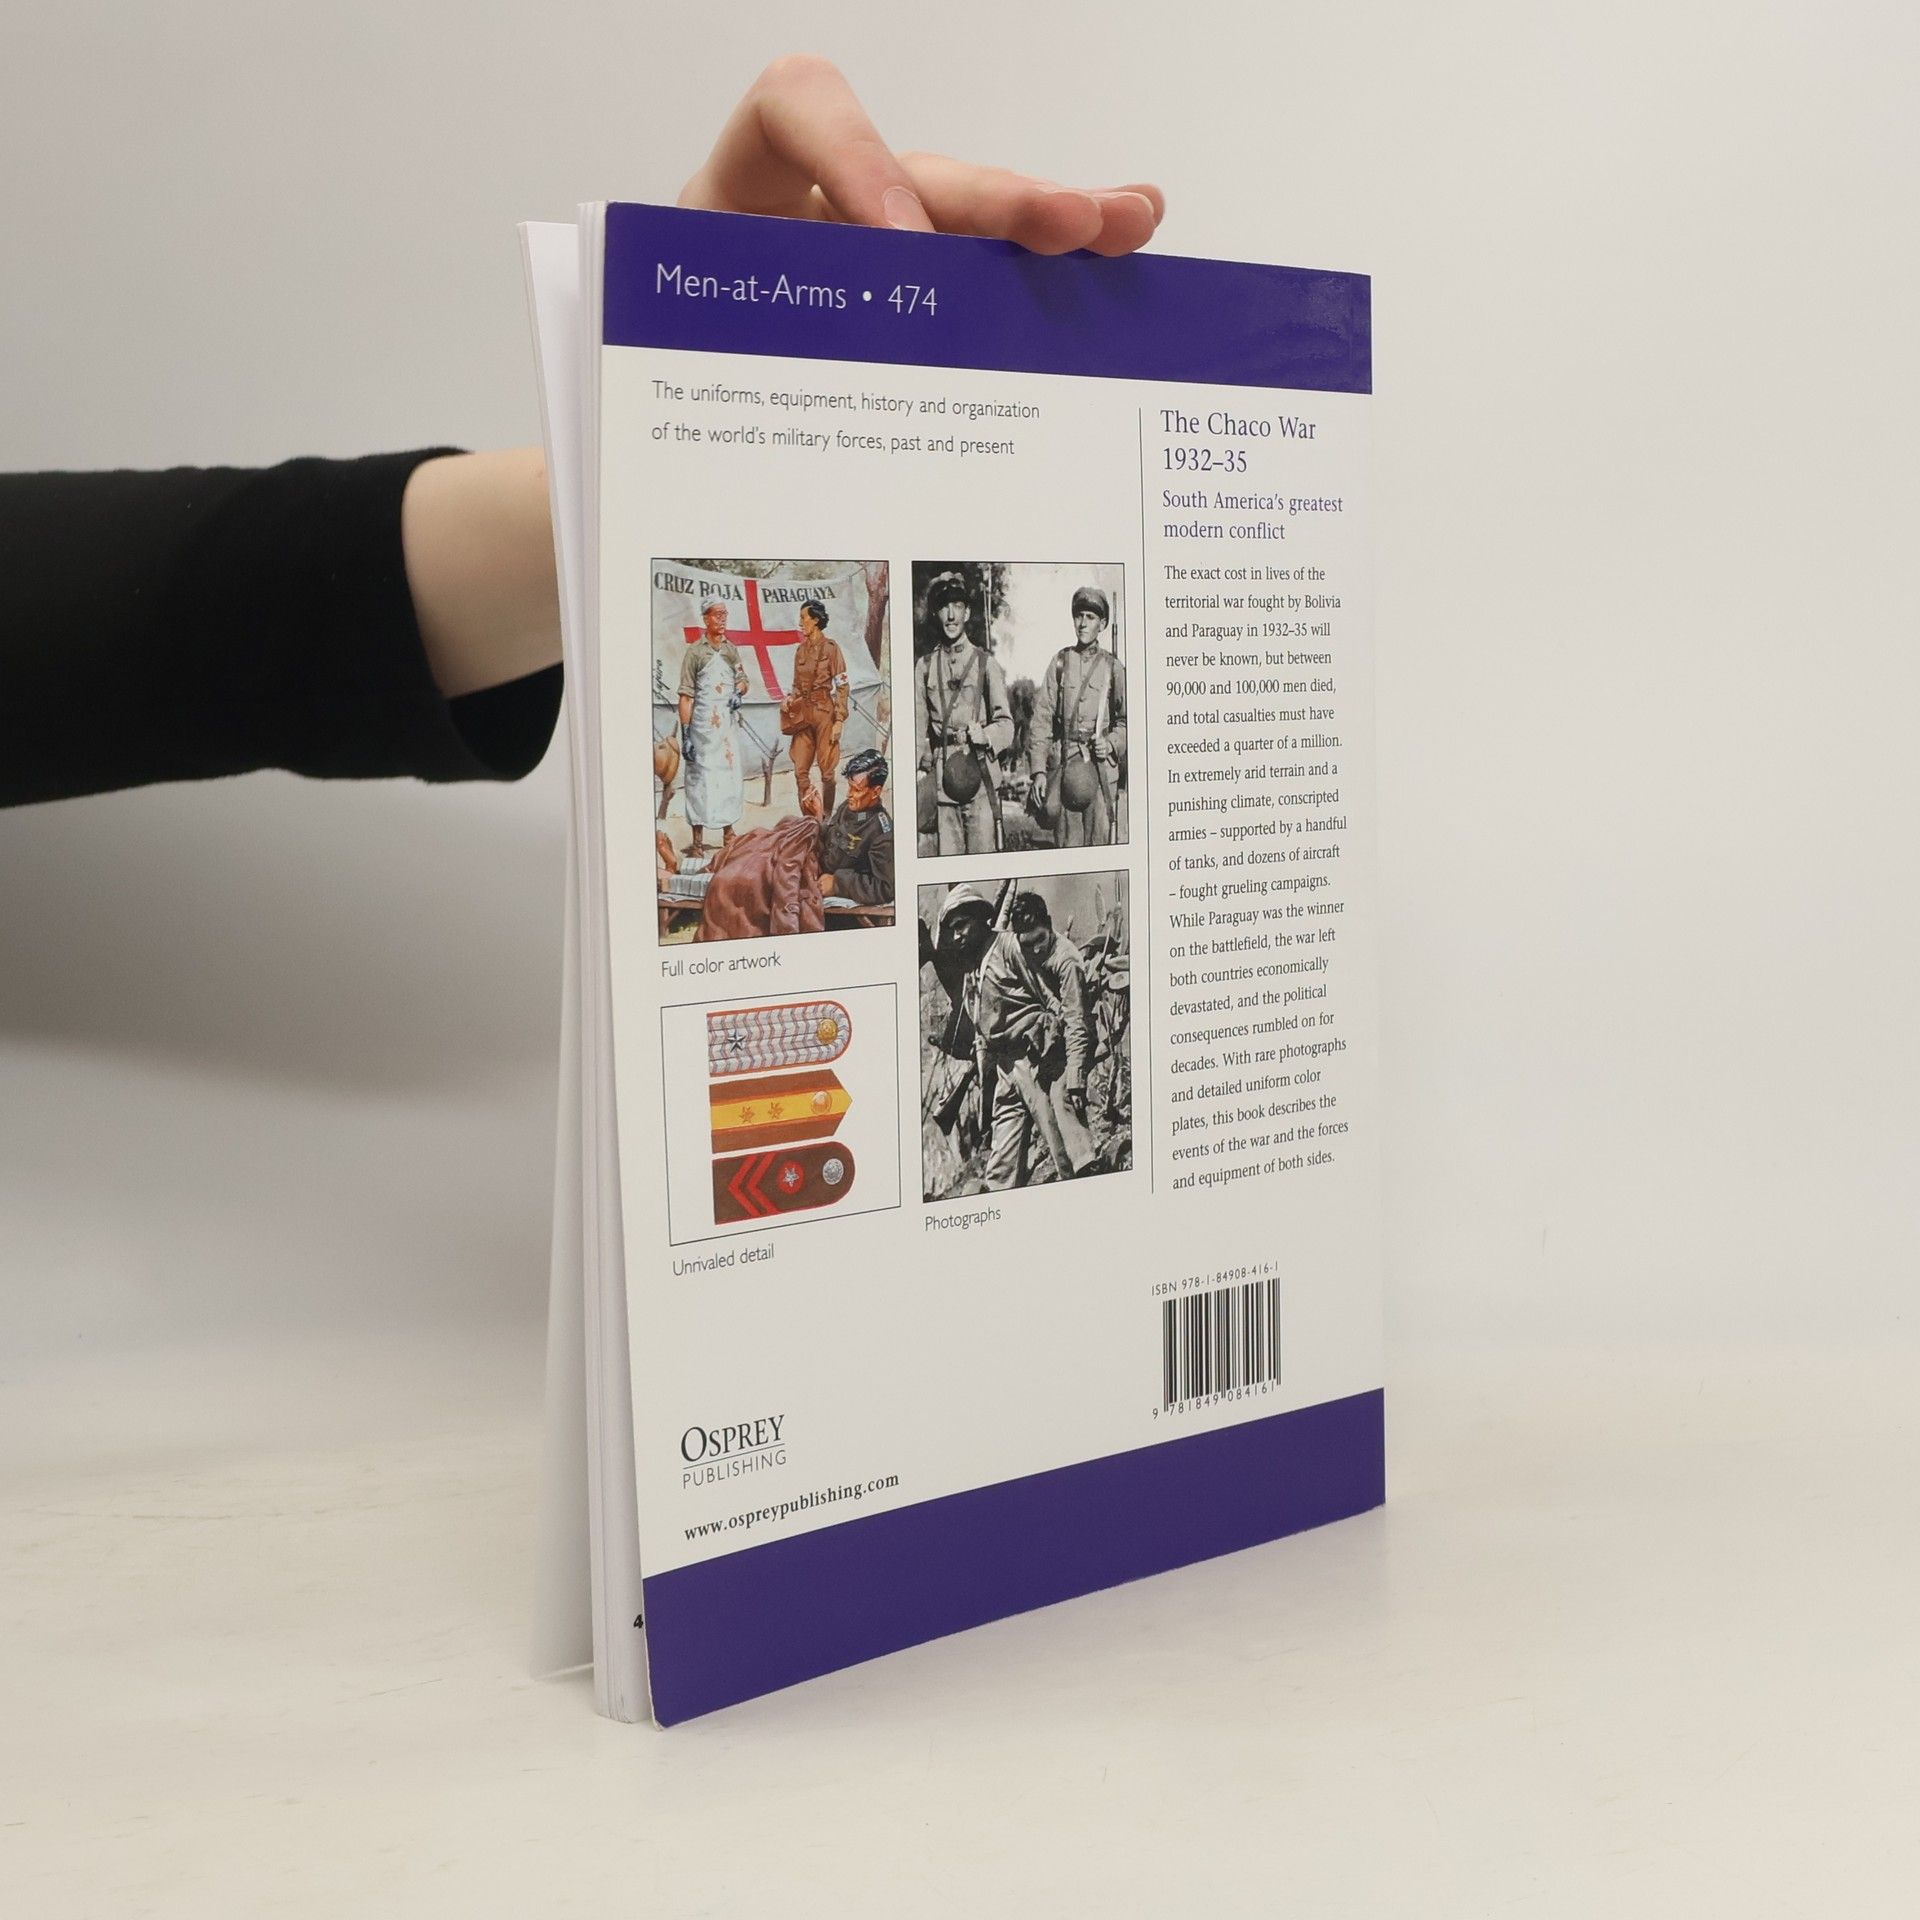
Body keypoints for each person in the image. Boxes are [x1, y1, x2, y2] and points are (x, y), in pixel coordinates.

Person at [0, 57, 1164, 812]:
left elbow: (179, 613)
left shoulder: (1053, 669)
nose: (957, 622)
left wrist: (672, 447)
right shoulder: (862, 659)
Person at [974, 890, 1101, 1189]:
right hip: (1045, 1042)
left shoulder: (1065, 961)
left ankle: (1087, 1169)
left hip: (1074, 1038)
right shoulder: (1022, 952)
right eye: (1027, 944)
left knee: (1062, 1097)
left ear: (1050, 924)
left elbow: (1077, 1020)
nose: (1035, 949)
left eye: (1040, 940)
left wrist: (1076, 1075)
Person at [914, 573, 1014, 855]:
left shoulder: (985, 663)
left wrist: (987, 735)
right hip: (943, 785)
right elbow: (916, 728)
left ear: (967, 613)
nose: (951, 615)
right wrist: (917, 766)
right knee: (950, 871)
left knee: (982, 867)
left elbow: (1006, 725)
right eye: (944, 607)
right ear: (936, 613)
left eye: (957, 606)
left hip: (981, 780)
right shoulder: (924, 667)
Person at [1029, 585, 1127, 847]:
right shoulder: (1060, 662)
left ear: (1102, 624)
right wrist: (1038, 771)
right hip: (1066, 767)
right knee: (1067, 847)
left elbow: (1127, 721)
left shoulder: (1113, 667)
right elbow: (1041, 719)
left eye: (1090, 617)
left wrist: (1112, 743)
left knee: (1100, 847)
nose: (1083, 623)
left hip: (1101, 772)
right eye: (1079, 616)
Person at [678, 599, 751, 856]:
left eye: (724, 614)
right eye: (717, 614)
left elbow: (743, 679)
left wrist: (738, 692)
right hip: (701, 728)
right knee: (700, 780)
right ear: (706, 618)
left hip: (726, 729)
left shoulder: (731, 650)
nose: (722, 619)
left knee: (728, 777)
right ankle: (697, 842)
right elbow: (685, 696)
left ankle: (728, 833)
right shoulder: (695, 653)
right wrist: (686, 735)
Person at [781, 598, 850, 816]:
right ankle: (809, 820)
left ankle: (827, 818)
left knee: (827, 772)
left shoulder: (831, 649)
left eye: (804, 618)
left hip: (824, 713)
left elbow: (842, 685)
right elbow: (796, 685)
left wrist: (839, 720)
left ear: (816, 620)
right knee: (800, 771)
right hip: (803, 715)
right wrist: (789, 698)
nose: (800, 623)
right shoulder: (800, 651)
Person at [801, 746, 892, 907]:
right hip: (814, 876)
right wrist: (817, 816)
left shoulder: (881, 832)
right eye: (850, 786)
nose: (849, 794)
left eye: (856, 789)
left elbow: (885, 888)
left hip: (839, 912)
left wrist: (838, 884)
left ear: (875, 792)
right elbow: (831, 838)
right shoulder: (848, 808)